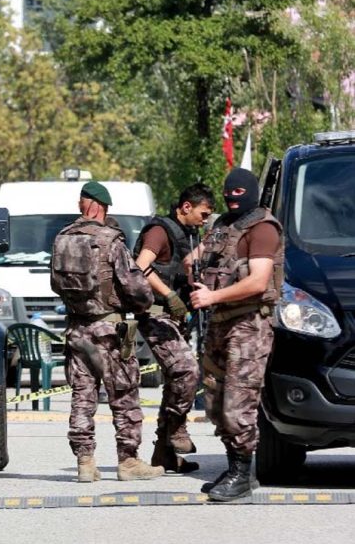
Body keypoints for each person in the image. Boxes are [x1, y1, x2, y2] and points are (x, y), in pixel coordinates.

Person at [50, 181, 163, 482]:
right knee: (124, 393)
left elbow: (55, 284)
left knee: (83, 396)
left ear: (81, 204)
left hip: (76, 329)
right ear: (101, 206)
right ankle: (128, 462)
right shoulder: (111, 240)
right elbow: (136, 288)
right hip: (108, 330)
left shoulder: (62, 238)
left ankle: (85, 462)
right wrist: (143, 304)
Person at [189, 168, 283, 502]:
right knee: (215, 402)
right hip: (219, 323)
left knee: (238, 404)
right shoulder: (222, 225)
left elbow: (258, 281)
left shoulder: (263, 229)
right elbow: (197, 258)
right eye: (228, 196)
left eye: (238, 195)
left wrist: (212, 296)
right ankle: (235, 468)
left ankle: (242, 474)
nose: (232, 200)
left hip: (248, 326)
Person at [133, 183, 215, 474]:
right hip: (156, 314)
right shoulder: (160, 231)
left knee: (175, 382)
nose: (205, 221)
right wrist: (169, 295)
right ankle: (177, 428)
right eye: (203, 214)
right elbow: (140, 265)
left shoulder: (190, 236)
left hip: (176, 318)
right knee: (187, 370)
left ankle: (164, 454)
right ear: (186, 207)